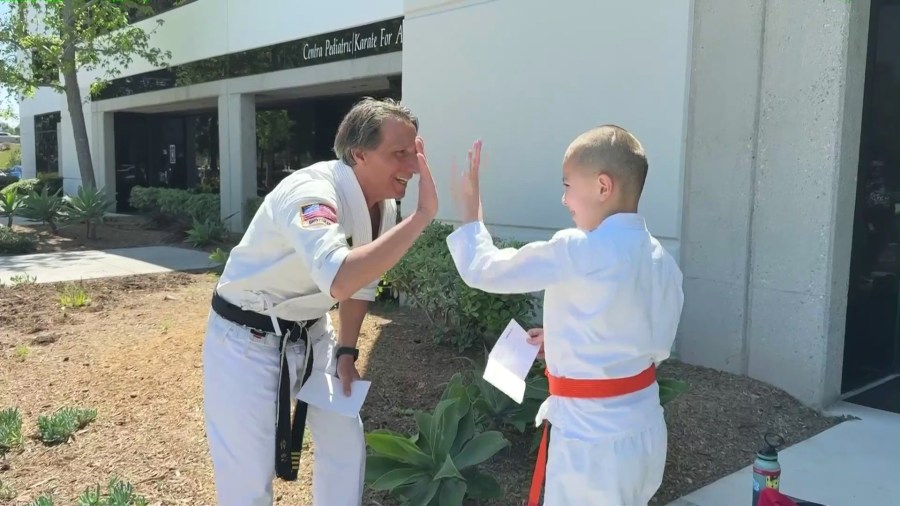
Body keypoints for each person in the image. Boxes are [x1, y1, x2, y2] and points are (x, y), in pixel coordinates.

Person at [202, 97, 438, 506]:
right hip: (247, 337)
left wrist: (347, 350)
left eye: (415, 154)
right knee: (247, 476)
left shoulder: (384, 204)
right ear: (358, 154)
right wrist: (422, 218)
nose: (414, 167)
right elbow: (341, 278)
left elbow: (362, 285)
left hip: (314, 332)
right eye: (400, 154)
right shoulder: (311, 194)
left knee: (345, 443)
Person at [446, 126, 684, 505]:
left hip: (591, 441)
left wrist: (470, 207)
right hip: (645, 429)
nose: (564, 198)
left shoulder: (579, 249)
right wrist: (564, 341)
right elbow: (644, 344)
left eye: (568, 185)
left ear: (603, 187)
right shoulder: (663, 262)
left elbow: (482, 268)